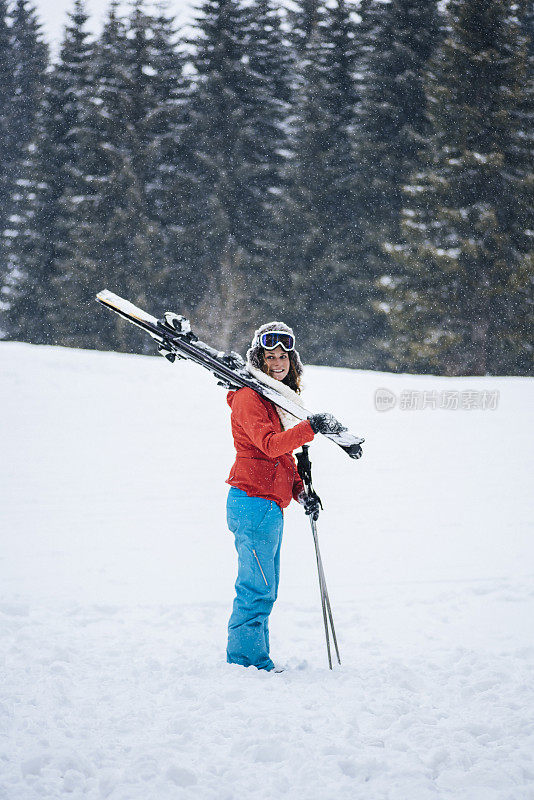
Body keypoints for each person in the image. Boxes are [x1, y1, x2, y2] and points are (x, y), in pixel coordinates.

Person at [225, 321, 333, 672]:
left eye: (283, 356)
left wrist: (303, 494)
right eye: (269, 356)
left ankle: (254, 659)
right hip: (252, 501)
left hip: (268, 504)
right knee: (256, 588)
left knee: (265, 588)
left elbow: (284, 458)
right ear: (258, 359)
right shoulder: (249, 398)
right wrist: (311, 427)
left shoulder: (275, 402)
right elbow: (270, 447)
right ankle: (246, 662)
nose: (277, 362)